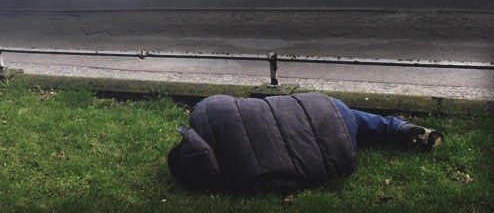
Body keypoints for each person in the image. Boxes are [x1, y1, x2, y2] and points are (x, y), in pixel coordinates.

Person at [167, 93, 443, 194]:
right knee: (345, 114)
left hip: (339, 147)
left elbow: (286, 183)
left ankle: (396, 130)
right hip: (323, 105)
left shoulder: (240, 179)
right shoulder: (206, 110)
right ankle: (400, 127)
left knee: (345, 126)